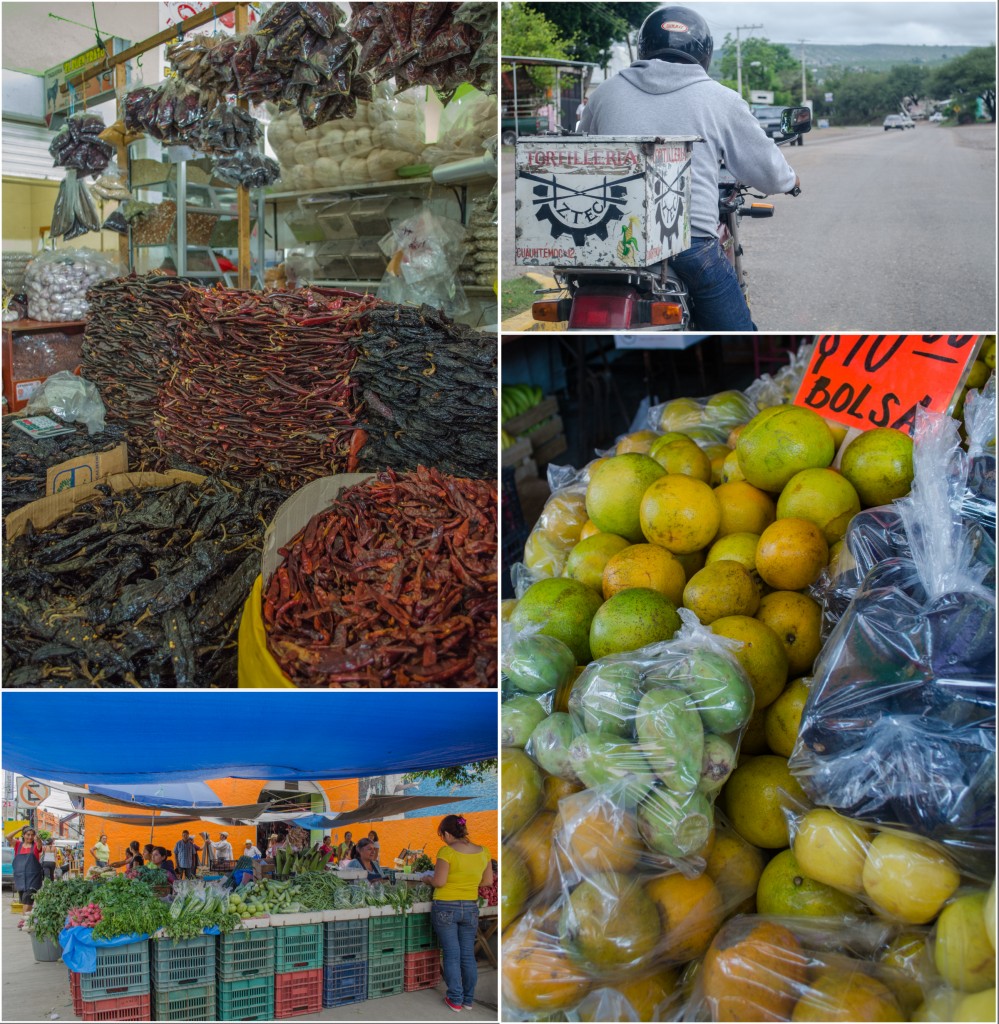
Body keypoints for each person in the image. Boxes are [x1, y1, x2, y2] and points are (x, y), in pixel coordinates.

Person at [580, 5, 799, 330]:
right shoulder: (720, 99)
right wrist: (790, 180)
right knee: (739, 333)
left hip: (608, 239)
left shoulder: (604, 93)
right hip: (686, 243)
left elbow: (580, 153)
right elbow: (766, 168)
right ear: (704, 53)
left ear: (645, 46)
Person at [427, 814, 493, 1012]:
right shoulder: (484, 852)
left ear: (447, 834)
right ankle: (467, 1000)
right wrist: (468, 883)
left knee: (452, 954)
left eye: (442, 835)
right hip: (470, 907)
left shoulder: (446, 852)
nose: (443, 839)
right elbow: (488, 881)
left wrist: (426, 879)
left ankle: (455, 999)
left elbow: (439, 881)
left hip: (446, 906)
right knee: (467, 954)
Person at [12, 827, 44, 908]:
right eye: (28, 834)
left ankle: (23, 920)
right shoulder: (18, 845)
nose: (30, 837)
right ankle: (26, 919)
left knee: (28, 901)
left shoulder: (36, 846)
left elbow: (40, 845)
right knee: (24, 902)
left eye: (32, 835)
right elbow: (8, 837)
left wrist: (38, 838)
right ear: (23, 835)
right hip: (20, 879)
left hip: (33, 879)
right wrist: (19, 829)